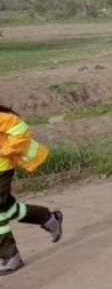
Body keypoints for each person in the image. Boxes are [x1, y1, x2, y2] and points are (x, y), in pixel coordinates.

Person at [0, 104, 63, 275]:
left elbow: (20, 129)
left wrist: (4, 150)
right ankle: (48, 217)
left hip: (1, 169)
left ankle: (11, 256)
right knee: (8, 209)